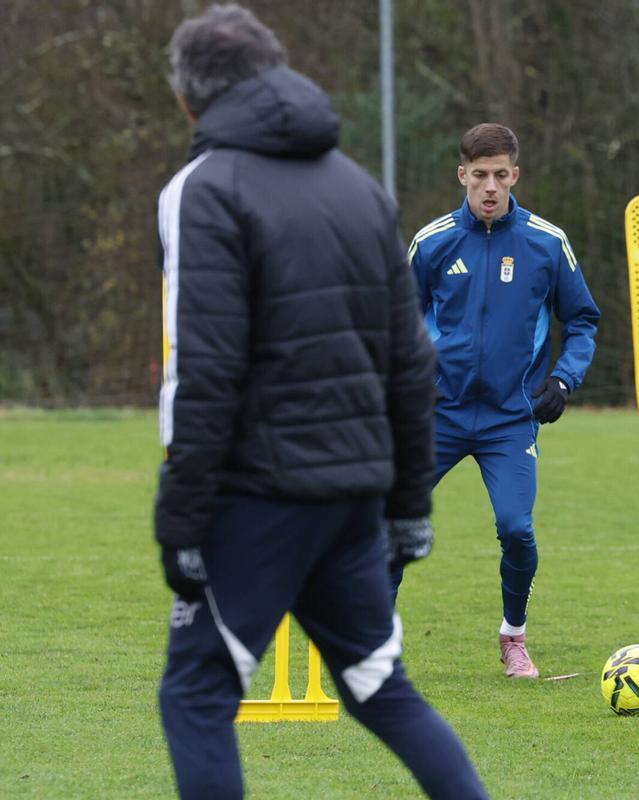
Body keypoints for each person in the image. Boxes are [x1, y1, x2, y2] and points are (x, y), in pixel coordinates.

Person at [154, 6, 488, 798]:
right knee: (380, 686)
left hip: (258, 496)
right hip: (354, 494)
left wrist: (179, 515)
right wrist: (407, 503)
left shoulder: (199, 190)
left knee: (196, 694)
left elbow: (203, 370)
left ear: (188, 100)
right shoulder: (359, 187)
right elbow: (413, 362)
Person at [394, 123, 600, 679]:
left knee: (517, 528)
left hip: (511, 416)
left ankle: (513, 636)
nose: (490, 186)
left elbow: (582, 321)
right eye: (479, 175)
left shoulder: (546, 242)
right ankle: (378, 644)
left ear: (515, 175)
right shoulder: (432, 242)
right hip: (439, 412)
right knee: (391, 521)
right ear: (462, 175)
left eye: (500, 175)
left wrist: (563, 380)